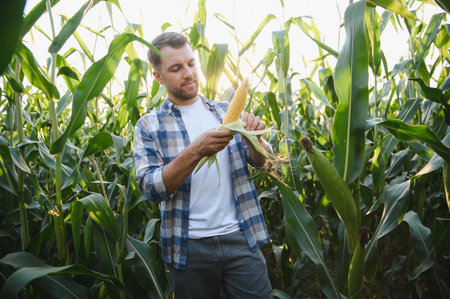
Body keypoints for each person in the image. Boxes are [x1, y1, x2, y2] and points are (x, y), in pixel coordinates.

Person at [133, 31, 272, 299]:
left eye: (191, 63)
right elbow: (150, 188)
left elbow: (261, 163)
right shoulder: (148, 126)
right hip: (189, 246)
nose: (188, 73)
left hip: (241, 237)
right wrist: (195, 151)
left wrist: (257, 141)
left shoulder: (224, 111)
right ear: (158, 77)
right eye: (175, 68)